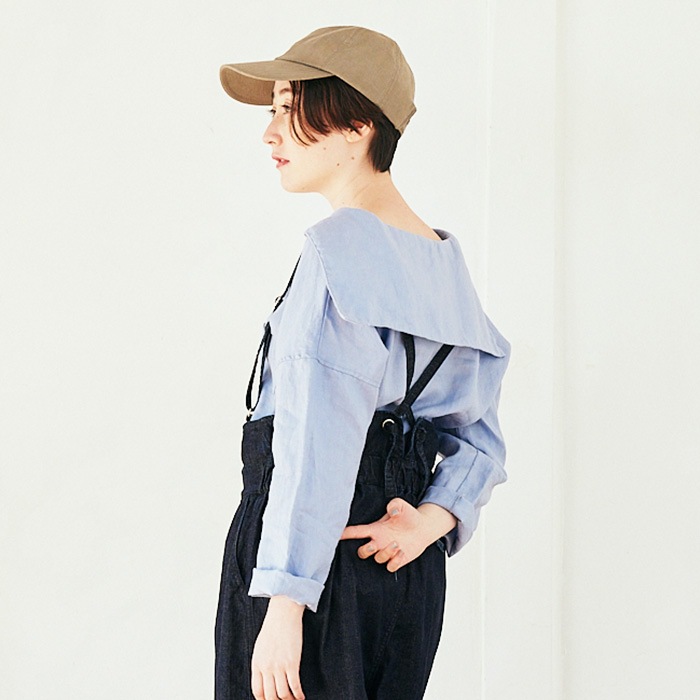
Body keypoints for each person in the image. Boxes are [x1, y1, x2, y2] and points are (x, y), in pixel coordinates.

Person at [214, 26, 510, 700]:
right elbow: (480, 439)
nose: (270, 133)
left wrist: (284, 604)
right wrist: (434, 517)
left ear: (357, 126)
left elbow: (315, 445)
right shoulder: (443, 261)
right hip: (406, 568)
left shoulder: (336, 251)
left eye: (289, 109)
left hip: (311, 569)